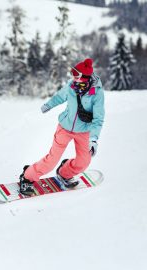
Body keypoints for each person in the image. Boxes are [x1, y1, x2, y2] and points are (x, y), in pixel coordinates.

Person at [19, 58, 105, 196]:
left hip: (84, 131)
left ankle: (65, 172)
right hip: (64, 128)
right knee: (51, 161)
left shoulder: (97, 94)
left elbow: (98, 119)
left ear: (85, 77)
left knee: (84, 162)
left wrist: (93, 139)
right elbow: (59, 97)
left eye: (76, 74)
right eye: (72, 73)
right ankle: (27, 177)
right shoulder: (72, 86)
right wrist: (48, 105)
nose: (73, 77)